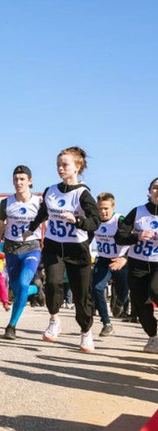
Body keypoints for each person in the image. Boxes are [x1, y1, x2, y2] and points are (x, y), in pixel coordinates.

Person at [24, 146, 99, 351]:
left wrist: (77, 220)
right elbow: (43, 213)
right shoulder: (51, 191)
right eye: (58, 164)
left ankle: (85, 332)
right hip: (53, 246)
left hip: (77, 248)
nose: (60, 168)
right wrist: (30, 229)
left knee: (81, 294)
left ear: (77, 167)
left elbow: (95, 221)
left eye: (65, 164)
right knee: (53, 283)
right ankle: (54, 320)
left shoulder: (83, 194)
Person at [0, 165, 42, 340]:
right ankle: (36, 288)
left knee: (22, 283)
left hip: (31, 248)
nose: (18, 182)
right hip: (11, 250)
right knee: (16, 288)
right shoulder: (6, 203)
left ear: (30, 181)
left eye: (22, 179)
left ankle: (11, 326)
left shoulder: (39, 203)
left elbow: (47, 227)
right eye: (16, 179)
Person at [115, 178, 158, 353]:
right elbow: (120, 236)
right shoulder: (138, 212)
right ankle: (153, 337)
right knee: (141, 305)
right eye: (155, 188)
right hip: (137, 264)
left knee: (156, 291)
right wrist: (137, 236)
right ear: (149, 191)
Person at [91, 192, 129, 337]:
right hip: (103, 260)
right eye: (100, 208)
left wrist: (124, 258)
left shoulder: (120, 220)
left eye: (106, 208)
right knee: (97, 288)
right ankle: (106, 323)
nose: (103, 212)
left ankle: (120, 303)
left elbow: (134, 240)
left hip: (121, 261)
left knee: (123, 293)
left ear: (113, 207)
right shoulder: (95, 221)